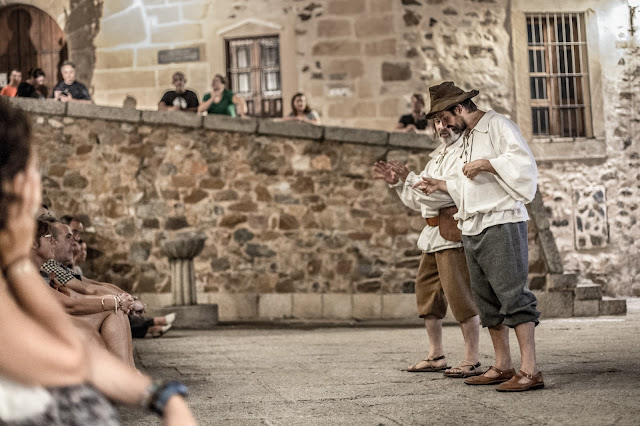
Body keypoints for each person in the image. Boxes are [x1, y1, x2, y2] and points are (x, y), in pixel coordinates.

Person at [0, 97, 197, 425]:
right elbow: (70, 352)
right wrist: (20, 259)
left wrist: (161, 397)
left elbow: (80, 292)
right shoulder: (23, 266)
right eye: (35, 171)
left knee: (112, 317)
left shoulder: (22, 266)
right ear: (19, 186)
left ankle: (131, 365)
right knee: (106, 319)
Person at [413, 81, 543, 392]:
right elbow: (465, 182)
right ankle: (502, 365)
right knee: (486, 302)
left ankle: (530, 369)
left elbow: (525, 166)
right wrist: (441, 185)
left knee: (513, 296)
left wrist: (489, 164)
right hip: (470, 225)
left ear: (459, 108)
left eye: (445, 118)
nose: (443, 125)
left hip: (500, 221)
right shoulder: (467, 137)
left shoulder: (498, 126)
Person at [373, 124, 481, 379]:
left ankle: (472, 359)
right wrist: (400, 184)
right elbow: (420, 201)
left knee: (461, 298)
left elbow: (445, 196)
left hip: (452, 236)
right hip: (432, 237)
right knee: (427, 296)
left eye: (446, 119)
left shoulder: (464, 154)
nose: (442, 127)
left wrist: (411, 179)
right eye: (437, 122)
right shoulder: (437, 157)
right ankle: (436, 355)